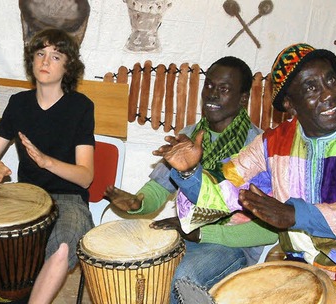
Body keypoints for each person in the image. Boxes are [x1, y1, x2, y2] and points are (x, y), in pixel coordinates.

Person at [160, 43, 336, 303]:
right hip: (304, 270)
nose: (329, 94)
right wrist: (190, 172)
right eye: (311, 88)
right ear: (290, 105)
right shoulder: (273, 145)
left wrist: (295, 215)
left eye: (330, 81)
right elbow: (225, 189)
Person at [0, 28, 95, 303]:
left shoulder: (80, 107)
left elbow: (85, 177)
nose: (45, 62)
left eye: (56, 56)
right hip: (24, 197)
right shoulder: (19, 103)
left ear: (68, 66)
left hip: (69, 199)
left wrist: (47, 162)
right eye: (40, 54)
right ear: (31, 60)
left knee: (61, 247)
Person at [105, 56, 277, 303]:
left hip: (231, 247)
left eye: (224, 89)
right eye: (209, 86)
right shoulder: (189, 136)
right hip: (187, 237)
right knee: (132, 269)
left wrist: (203, 233)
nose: (212, 95)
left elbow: (269, 232)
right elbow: (158, 189)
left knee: (182, 277)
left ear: (243, 98)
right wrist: (137, 203)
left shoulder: (260, 148)